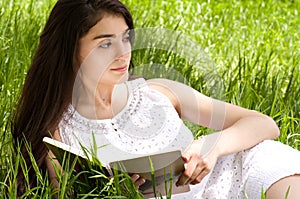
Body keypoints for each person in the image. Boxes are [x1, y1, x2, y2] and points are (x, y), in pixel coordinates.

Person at [12, 0, 300, 198]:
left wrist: (211, 147)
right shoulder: (59, 134)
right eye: (105, 43)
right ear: (69, 50)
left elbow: (262, 124)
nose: (122, 53)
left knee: (269, 159)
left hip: (231, 180)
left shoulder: (157, 92)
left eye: (126, 38)